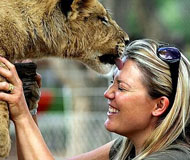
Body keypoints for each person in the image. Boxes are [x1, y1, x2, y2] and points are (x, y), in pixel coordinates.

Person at [0, 39, 189, 160]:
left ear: (159, 105)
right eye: (112, 83)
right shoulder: (126, 149)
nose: (108, 93)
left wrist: (23, 115)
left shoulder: (172, 157)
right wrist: (29, 105)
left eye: (121, 87)